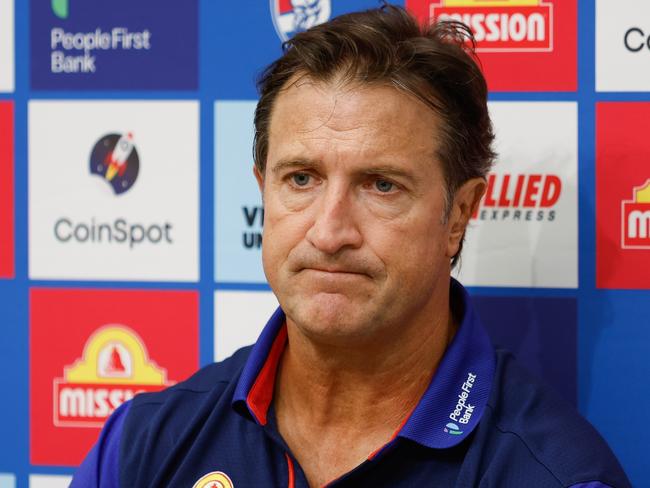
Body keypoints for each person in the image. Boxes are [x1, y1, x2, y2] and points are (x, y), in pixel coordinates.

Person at [72, 5, 630, 487]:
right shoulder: (143, 445)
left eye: (382, 185)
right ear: (261, 186)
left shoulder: (554, 476)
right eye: (301, 179)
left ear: (459, 213)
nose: (329, 231)